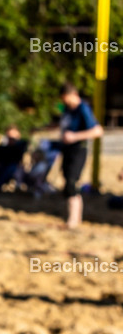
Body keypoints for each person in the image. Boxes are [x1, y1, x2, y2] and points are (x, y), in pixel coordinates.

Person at [58, 82, 104, 228]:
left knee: (72, 182)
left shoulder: (83, 108)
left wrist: (74, 136)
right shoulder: (67, 109)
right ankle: (73, 218)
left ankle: (73, 220)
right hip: (67, 149)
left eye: (65, 98)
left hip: (78, 149)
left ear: (73, 94)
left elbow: (98, 131)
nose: (64, 102)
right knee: (67, 182)